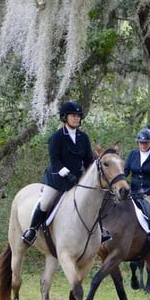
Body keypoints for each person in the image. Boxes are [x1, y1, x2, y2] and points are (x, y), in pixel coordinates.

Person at [22, 100, 109, 246]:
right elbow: (55, 160)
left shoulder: (83, 138)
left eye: (78, 116)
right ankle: (32, 230)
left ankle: (101, 230)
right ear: (65, 117)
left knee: (94, 202)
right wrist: (67, 174)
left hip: (78, 179)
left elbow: (88, 160)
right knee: (44, 202)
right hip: (57, 179)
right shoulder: (57, 137)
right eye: (73, 115)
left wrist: (90, 176)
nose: (76, 118)